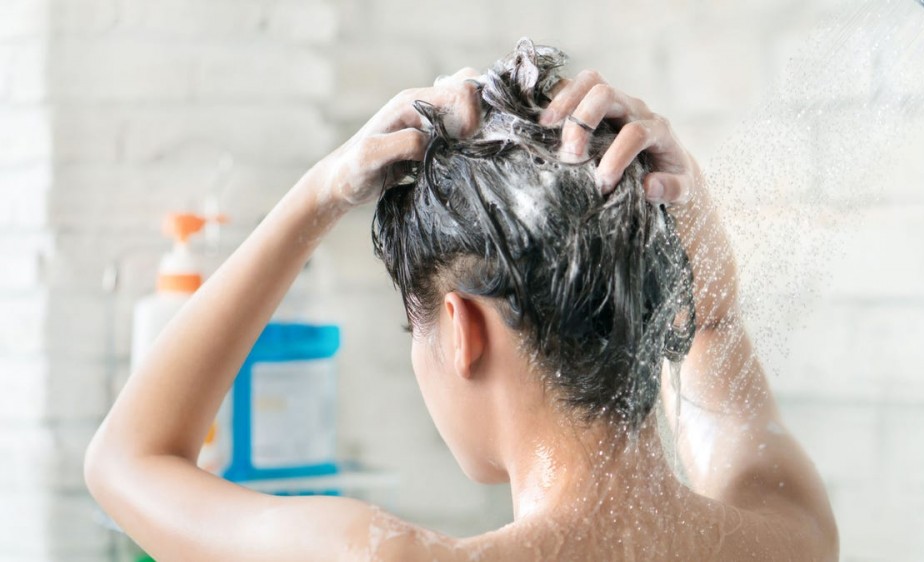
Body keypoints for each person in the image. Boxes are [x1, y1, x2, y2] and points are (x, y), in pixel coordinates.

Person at [85, 40, 838, 561]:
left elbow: (127, 460)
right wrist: (685, 219)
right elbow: (712, 331)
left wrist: (321, 192)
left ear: (460, 328)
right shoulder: (786, 540)